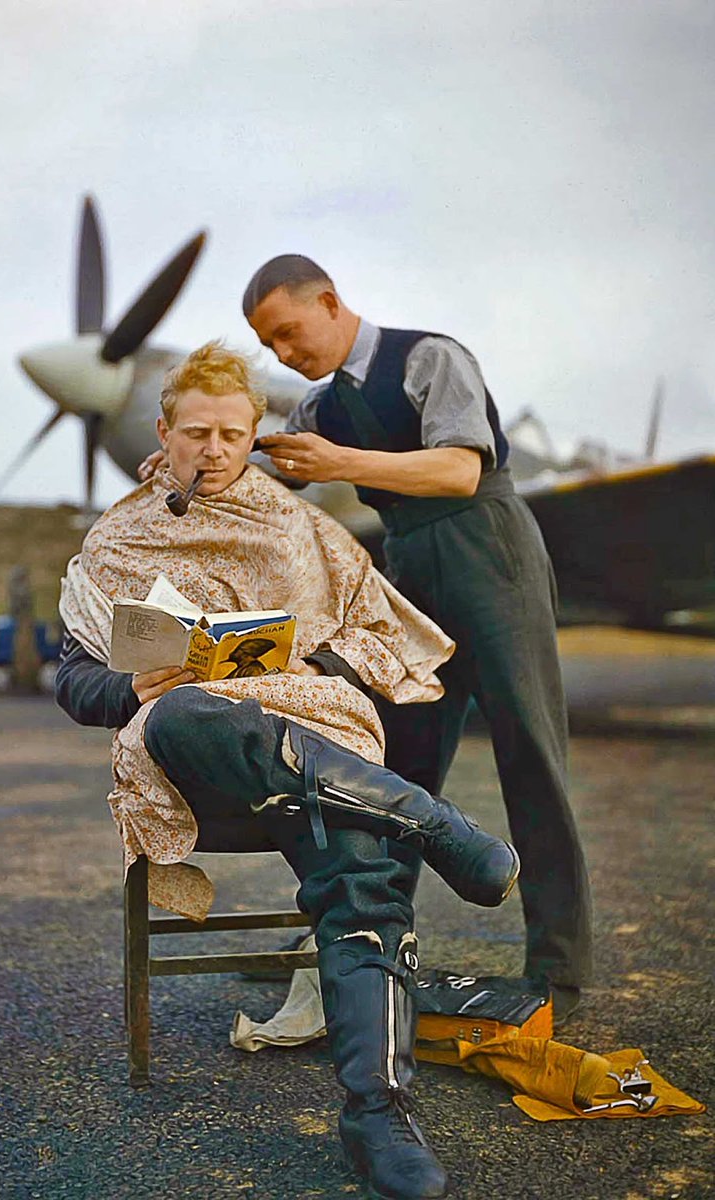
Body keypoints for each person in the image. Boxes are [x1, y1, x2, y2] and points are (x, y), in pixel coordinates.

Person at [56, 341, 521, 1200]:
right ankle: (426, 818)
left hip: (311, 742)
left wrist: (305, 669)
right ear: (164, 430)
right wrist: (133, 683)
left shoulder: (301, 527)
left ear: (253, 434)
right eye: (196, 432)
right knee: (193, 709)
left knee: (363, 873)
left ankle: (377, 1111)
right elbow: (74, 680)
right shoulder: (115, 540)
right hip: (191, 756)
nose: (215, 448)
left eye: (233, 434)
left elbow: (380, 643)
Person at [240, 256, 593, 1024]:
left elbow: (460, 470)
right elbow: (267, 469)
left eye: (289, 334)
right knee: (397, 770)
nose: (284, 357)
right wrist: (195, 460)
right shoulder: (318, 405)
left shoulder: (429, 357)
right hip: (405, 568)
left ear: (329, 303)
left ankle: (557, 970)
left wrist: (343, 464)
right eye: (269, 347)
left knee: (528, 753)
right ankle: (365, 948)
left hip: (486, 551)